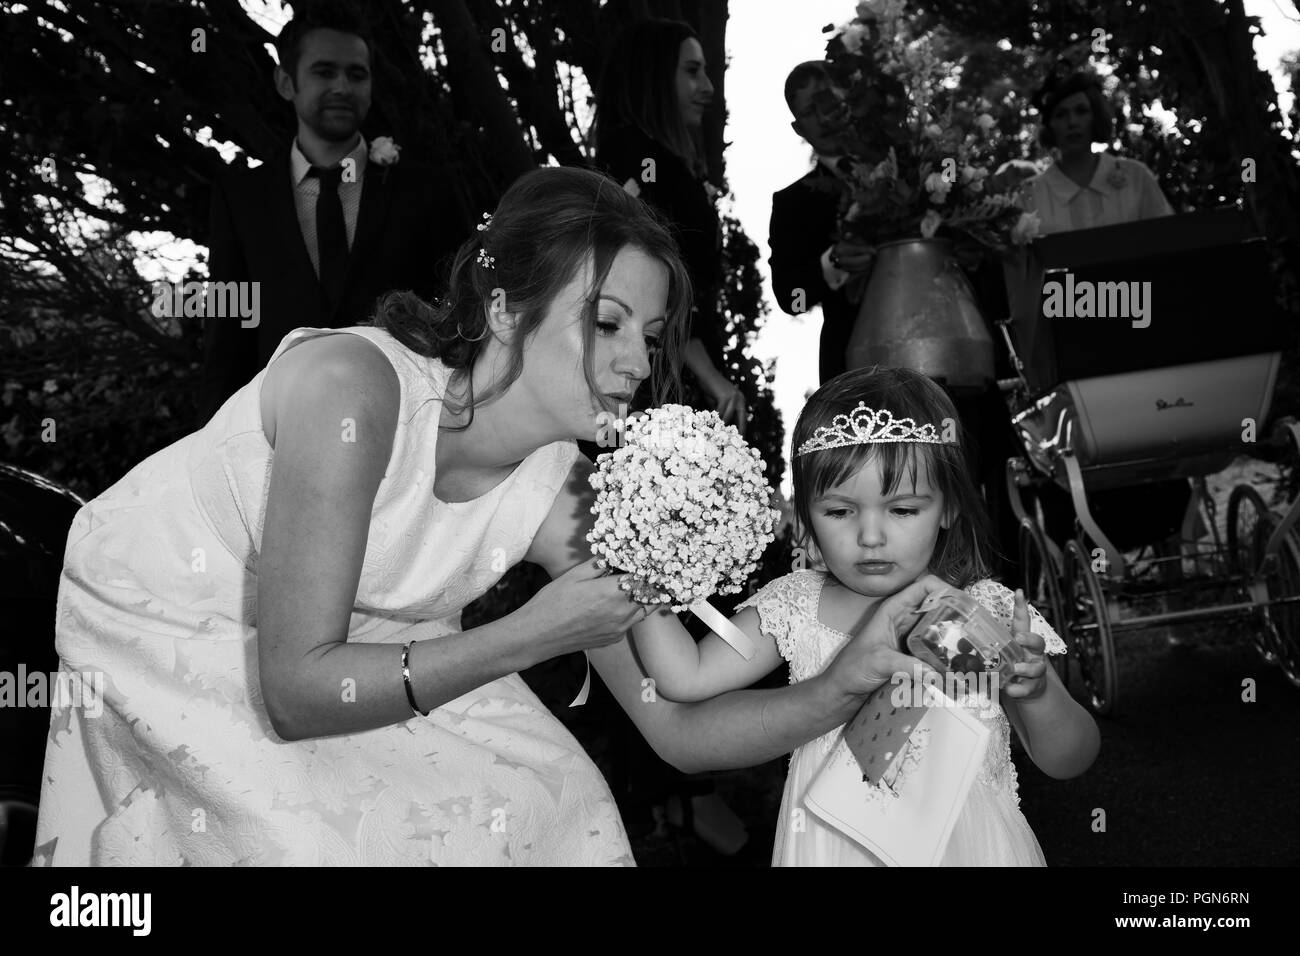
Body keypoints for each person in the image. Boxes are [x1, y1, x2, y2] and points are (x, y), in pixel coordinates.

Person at [31, 167, 938, 866]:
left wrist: (835, 684)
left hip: (358, 644)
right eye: (607, 322)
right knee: (306, 838)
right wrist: (534, 635)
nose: (634, 362)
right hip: (177, 617)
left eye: (651, 338)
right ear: (504, 309)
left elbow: (678, 725)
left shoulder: (572, 496)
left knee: (556, 802)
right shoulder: (355, 391)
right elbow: (300, 693)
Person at [631, 366, 1100, 866]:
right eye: (839, 512)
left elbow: (1069, 758)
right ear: (807, 517)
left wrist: (1038, 693)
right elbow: (683, 677)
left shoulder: (980, 612)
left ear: (948, 509)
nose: (870, 535)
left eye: (902, 510)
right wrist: (644, 553)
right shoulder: (795, 606)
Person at [199, 3, 467, 424]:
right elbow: (227, 331)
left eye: (356, 74)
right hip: (278, 433)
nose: (342, 86)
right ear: (286, 82)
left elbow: (460, 318)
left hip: (407, 430)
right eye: (324, 72)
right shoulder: (241, 197)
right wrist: (214, 446)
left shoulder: (426, 190)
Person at [594, 18, 745, 432]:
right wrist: (710, 376)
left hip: (679, 372)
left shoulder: (667, 163)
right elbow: (646, 286)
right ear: (655, 75)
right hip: (657, 380)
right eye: (692, 71)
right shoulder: (633, 155)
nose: (709, 89)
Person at [769, 61, 876, 384]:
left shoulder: (912, 162)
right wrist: (833, 263)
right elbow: (791, 296)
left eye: (828, 100)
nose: (824, 116)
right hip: (855, 366)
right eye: (810, 111)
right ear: (798, 128)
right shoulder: (793, 203)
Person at [1025, 70, 1172, 235]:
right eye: (1061, 114)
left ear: (1095, 117)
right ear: (1050, 126)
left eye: (1081, 111)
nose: (1072, 122)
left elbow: (1167, 239)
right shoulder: (1029, 195)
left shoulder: (1137, 177)